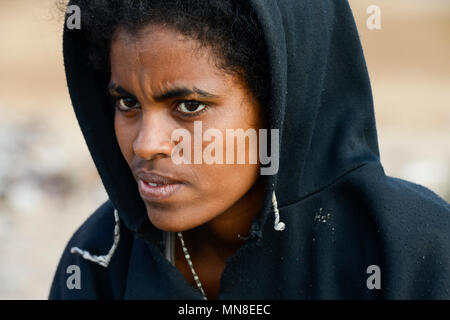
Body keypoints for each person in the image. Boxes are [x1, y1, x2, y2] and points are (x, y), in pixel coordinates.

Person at [49, 0, 450, 299]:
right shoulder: (100, 257)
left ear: (281, 105)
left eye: (189, 106)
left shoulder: (410, 255)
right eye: (127, 103)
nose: (146, 144)